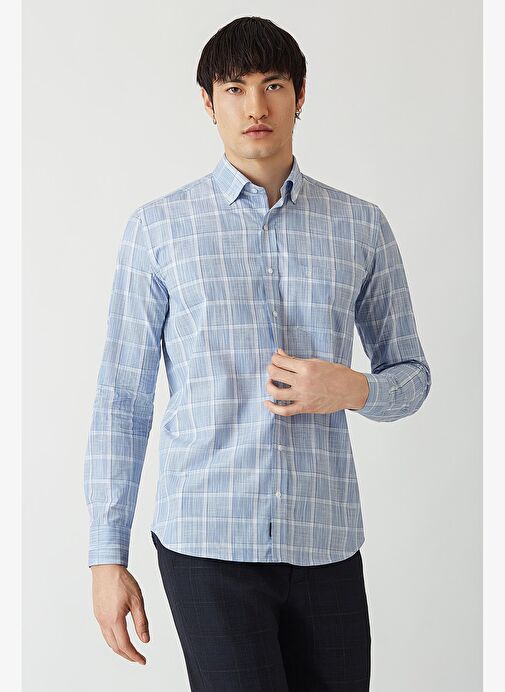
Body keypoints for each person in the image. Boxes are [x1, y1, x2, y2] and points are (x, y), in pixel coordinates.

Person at [83, 15, 432, 691]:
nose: (255, 106)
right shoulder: (158, 230)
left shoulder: (360, 227)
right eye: (234, 88)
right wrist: (106, 557)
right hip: (206, 541)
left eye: (272, 84)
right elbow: (121, 399)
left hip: (326, 540)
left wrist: (352, 388)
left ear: (300, 94)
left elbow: (411, 377)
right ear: (207, 103)